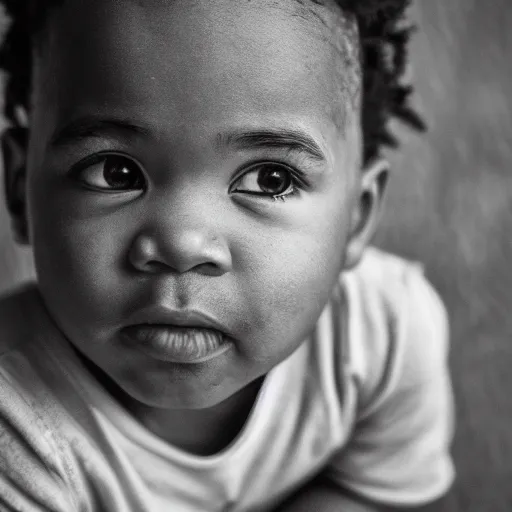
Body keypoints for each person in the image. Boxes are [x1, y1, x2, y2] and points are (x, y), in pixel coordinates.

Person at [0, 0, 454, 510]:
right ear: (20, 191)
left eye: (270, 179)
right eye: (114, 172)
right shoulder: (15, 425)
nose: (183, 245)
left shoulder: (380, 332)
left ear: (356, 217)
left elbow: (368, 490)